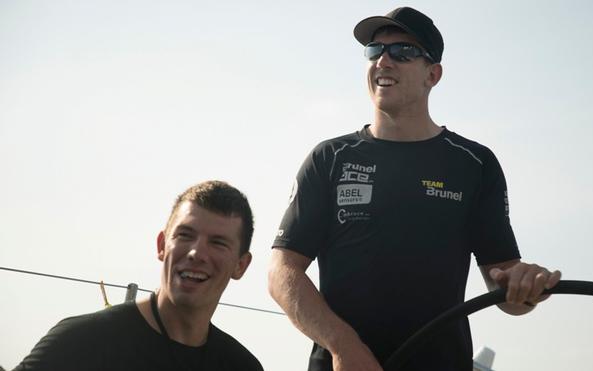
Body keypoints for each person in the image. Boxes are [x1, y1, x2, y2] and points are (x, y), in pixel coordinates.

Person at [268, 7, 561, 371]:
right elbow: (282, 273)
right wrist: (344, 346)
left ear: (433, 75)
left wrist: (524, 285)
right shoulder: (329, 158)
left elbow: (507, 295)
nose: (384, 62)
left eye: (403, 52)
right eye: (375, 51)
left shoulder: (474, 164)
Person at [14, 180, 263, 371]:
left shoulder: (241, 366)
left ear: (241, 265)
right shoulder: (83, 342)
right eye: (185, 235)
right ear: (162, 245)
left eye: (218, 243)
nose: (196, 252)